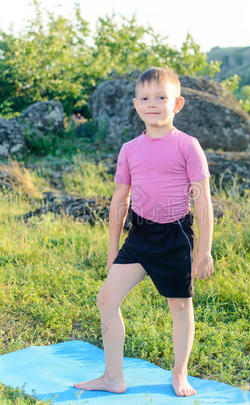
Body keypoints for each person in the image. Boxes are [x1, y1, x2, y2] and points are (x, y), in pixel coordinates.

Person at [73, 67, 214, 397]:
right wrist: (113, 249)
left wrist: (203, 249)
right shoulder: (130, 149)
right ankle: (112, 376)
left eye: (161, 97)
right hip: (140, 235)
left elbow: (204, 201)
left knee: (180, 307)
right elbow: (119, 201)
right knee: (106, 299)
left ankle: (179, 373)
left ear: (176, 104)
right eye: (146, 98)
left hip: (175, 236)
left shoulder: (188, 146)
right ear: (136, 105)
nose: (153, 104)